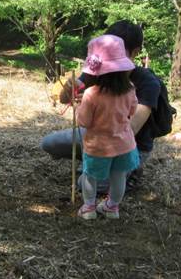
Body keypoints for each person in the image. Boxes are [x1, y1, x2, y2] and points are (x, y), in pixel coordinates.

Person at [41, 20, 160, 190]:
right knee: (49, 144)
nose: (108, 57)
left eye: (116, 52)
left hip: (126, 143)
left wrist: (93, 105)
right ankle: (94, 161)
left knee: (86, 185)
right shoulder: (97, 70)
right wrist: (69, 89)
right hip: (96, 136)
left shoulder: (148, 83)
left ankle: (131, 168)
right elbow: (64, 100)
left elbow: (131, 128)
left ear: (135, 52)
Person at [75, 35, 139, 220]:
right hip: (124, 143)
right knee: (118, 177)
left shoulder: (91, 94)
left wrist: (79, 107)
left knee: (90, 175)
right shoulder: (130, 89)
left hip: (98, 146)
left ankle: (89, 208)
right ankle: (112, 207)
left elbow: (84, 122)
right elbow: (132, 110)